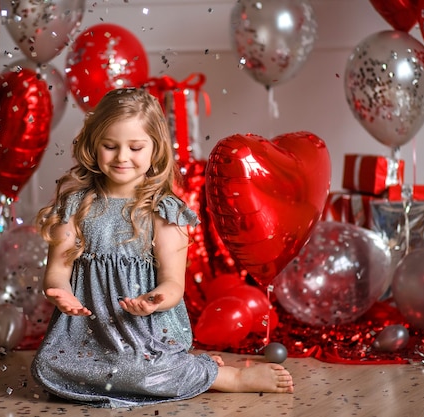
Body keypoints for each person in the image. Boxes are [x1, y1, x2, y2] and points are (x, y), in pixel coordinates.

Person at [31, 88, 294, 409]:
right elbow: (58, 269)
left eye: (136, 147)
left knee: (137, 368)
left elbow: (173, 284)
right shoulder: (76, 206)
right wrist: (58, 291)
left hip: (144, 334)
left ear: (156, 149)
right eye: (110, 146)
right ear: (93, 145)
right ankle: (182, 369)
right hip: (87, 335)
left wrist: (153, 300)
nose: (122, 157)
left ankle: (227, 378)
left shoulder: (163, 210)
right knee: (47, 367)